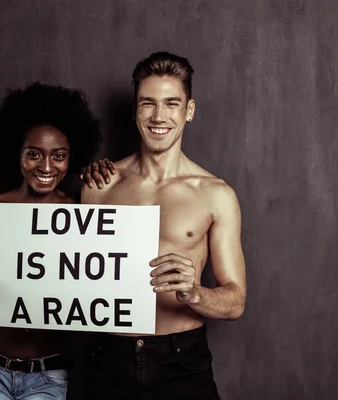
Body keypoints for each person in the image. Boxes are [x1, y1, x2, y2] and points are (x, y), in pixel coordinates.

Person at [80, 51, 247, 399]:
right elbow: (78, 278)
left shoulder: (216, 195)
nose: (159, 116)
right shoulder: (100, 185)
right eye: (147, 103)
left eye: (171, 103)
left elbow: (235, 301)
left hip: (181, 361)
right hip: (108, 359)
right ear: (135, 111)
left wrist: (195, 292)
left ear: (189, 111)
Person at [0, 82, 113, 399]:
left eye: (59, 156)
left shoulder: (80, 213)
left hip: (48, 376)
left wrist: (103, 183)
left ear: (72, 157)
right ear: (17, 152)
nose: (46, 167)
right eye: (34, 154)